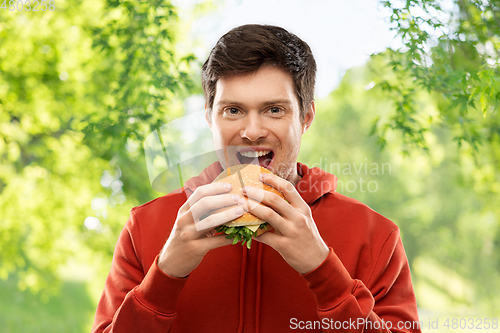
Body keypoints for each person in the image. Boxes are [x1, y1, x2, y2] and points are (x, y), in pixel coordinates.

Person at [92, 24, 422, 333]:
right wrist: (164, 274)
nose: (252, 132)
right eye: (232, 110)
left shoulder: (376, 236)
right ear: (210, 118)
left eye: (274, 110)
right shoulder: (146, 226)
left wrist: (324, 271)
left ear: (305, 118)